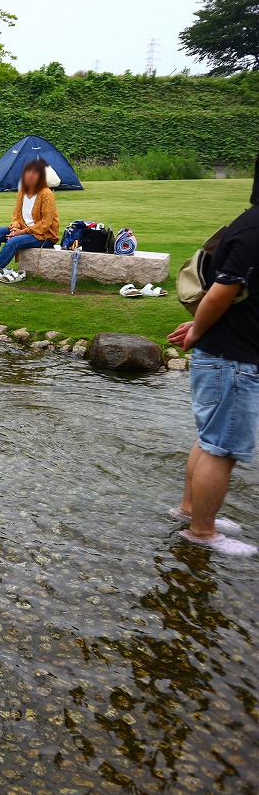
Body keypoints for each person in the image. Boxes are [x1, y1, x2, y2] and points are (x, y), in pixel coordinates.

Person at [167, 160, 259, 556]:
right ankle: (202, 531)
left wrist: (200, 330)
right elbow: (221, 292)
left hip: (225, 352)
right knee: (222, 448)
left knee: (211, 441)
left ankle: (190, 510)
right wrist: (199, 329)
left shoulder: (249, 222)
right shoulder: (256, 230)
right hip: (233, 357)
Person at [0, 157, 60, 282]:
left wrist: (22, 232)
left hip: (44, 235)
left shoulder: (46, 194)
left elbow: (45, 224)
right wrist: (15, 228)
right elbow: (16, 216)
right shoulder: (22, 192)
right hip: (24, 231)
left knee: (14, 242)